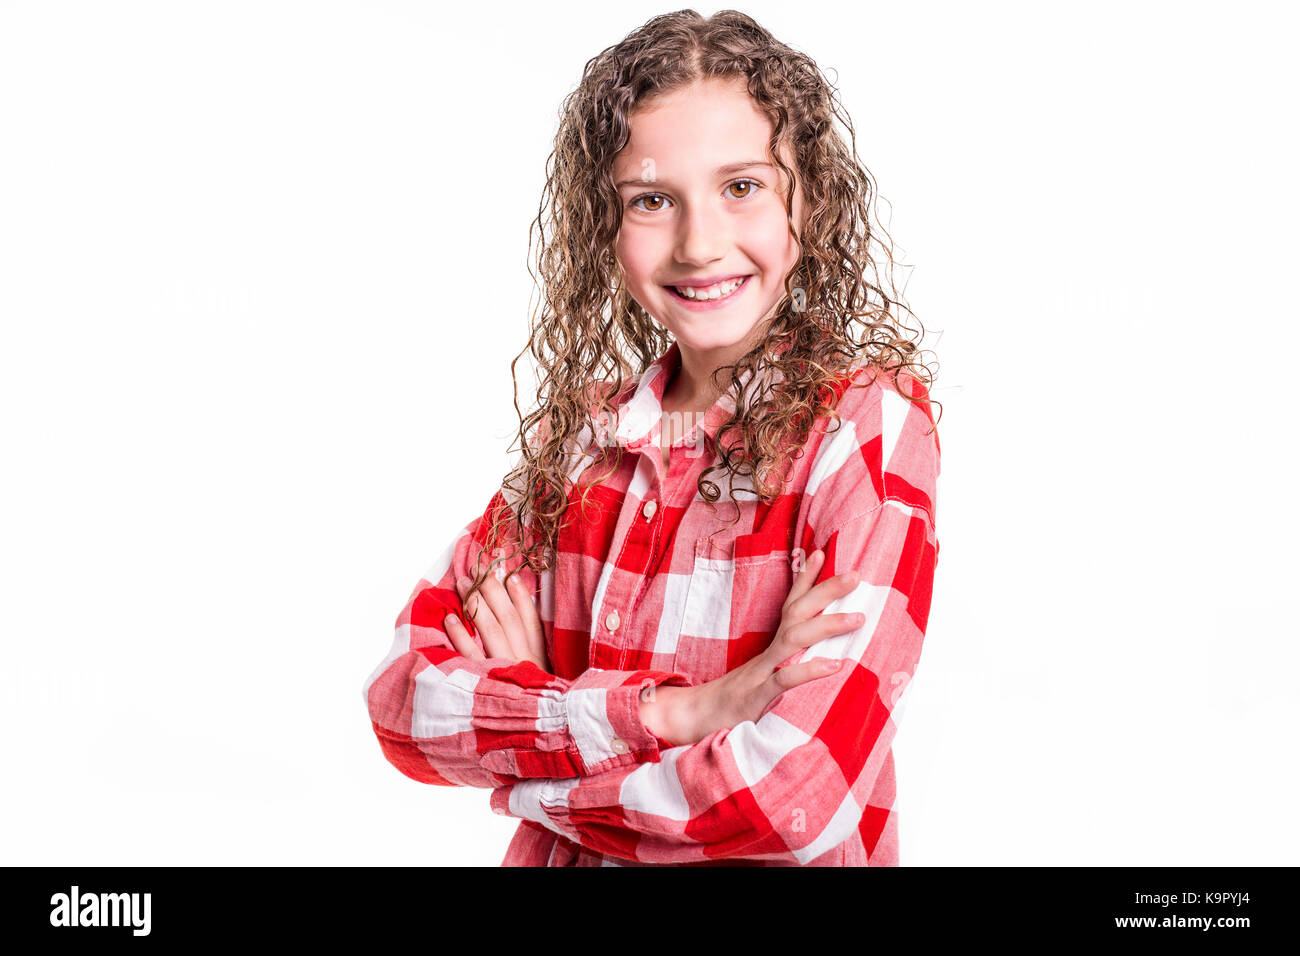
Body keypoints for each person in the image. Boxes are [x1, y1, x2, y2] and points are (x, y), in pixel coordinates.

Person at [362, 9, 941, 866]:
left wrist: (534, 761)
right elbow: (403, 704)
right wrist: (684, 712)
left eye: (741, 186)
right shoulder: (578, 447)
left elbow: (792, 797)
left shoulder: (866, 427)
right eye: (652, 200)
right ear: (607, 224)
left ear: (806, 198)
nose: (700, 243)